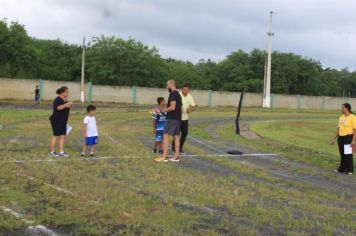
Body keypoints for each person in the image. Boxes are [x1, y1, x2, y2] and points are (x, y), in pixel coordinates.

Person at [155, 80, 182, 162]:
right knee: (176, 136)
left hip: (172, 119)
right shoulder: (178, 94)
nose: (166, 87)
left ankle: (164, 156)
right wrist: (164, 109)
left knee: (165, 135)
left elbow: (173, 107)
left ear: (171, 85)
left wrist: (162, 111)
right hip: (177, 118)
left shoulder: (173, 94)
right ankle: (176, 157)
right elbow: (178, 108)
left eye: (167, 85)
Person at [331, 103, 355, 175]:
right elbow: (338, 128)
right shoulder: (341, 117)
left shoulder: (352, 117)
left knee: (348, 154)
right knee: (342, 154)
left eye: (342, 108)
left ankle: (349, 170)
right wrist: (334, 138)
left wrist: (353, 140)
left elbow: (355, 130)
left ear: (347, 108)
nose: (341, 109)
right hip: (341, 137)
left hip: (348, 137)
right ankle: (341, 169)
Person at [171, 84, 196, 154]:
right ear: (182, 89)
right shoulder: (178, 95)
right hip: (177, 118)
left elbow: (194, 106)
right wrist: (179, 109)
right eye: (184, 90)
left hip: (185, 118)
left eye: (187, 90)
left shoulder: (190, 96)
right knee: (177, 133)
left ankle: (180, 148)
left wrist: (190, 110)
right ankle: (173, 147)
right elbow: (173, 104)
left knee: (185, 133)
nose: (186, 91)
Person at [49, 86, 73, 157]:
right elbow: (58, 108)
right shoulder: (57, 99)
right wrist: (66, 104)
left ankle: (61, 152)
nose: (68, 93)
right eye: (66, 92)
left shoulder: (65, 100)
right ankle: (52, 152)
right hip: (56, 121)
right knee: (55, 136)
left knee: (63, 136)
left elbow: (64, 109)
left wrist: (67, 105)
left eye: (68, 92)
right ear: (62, 92)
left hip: (63, 122)